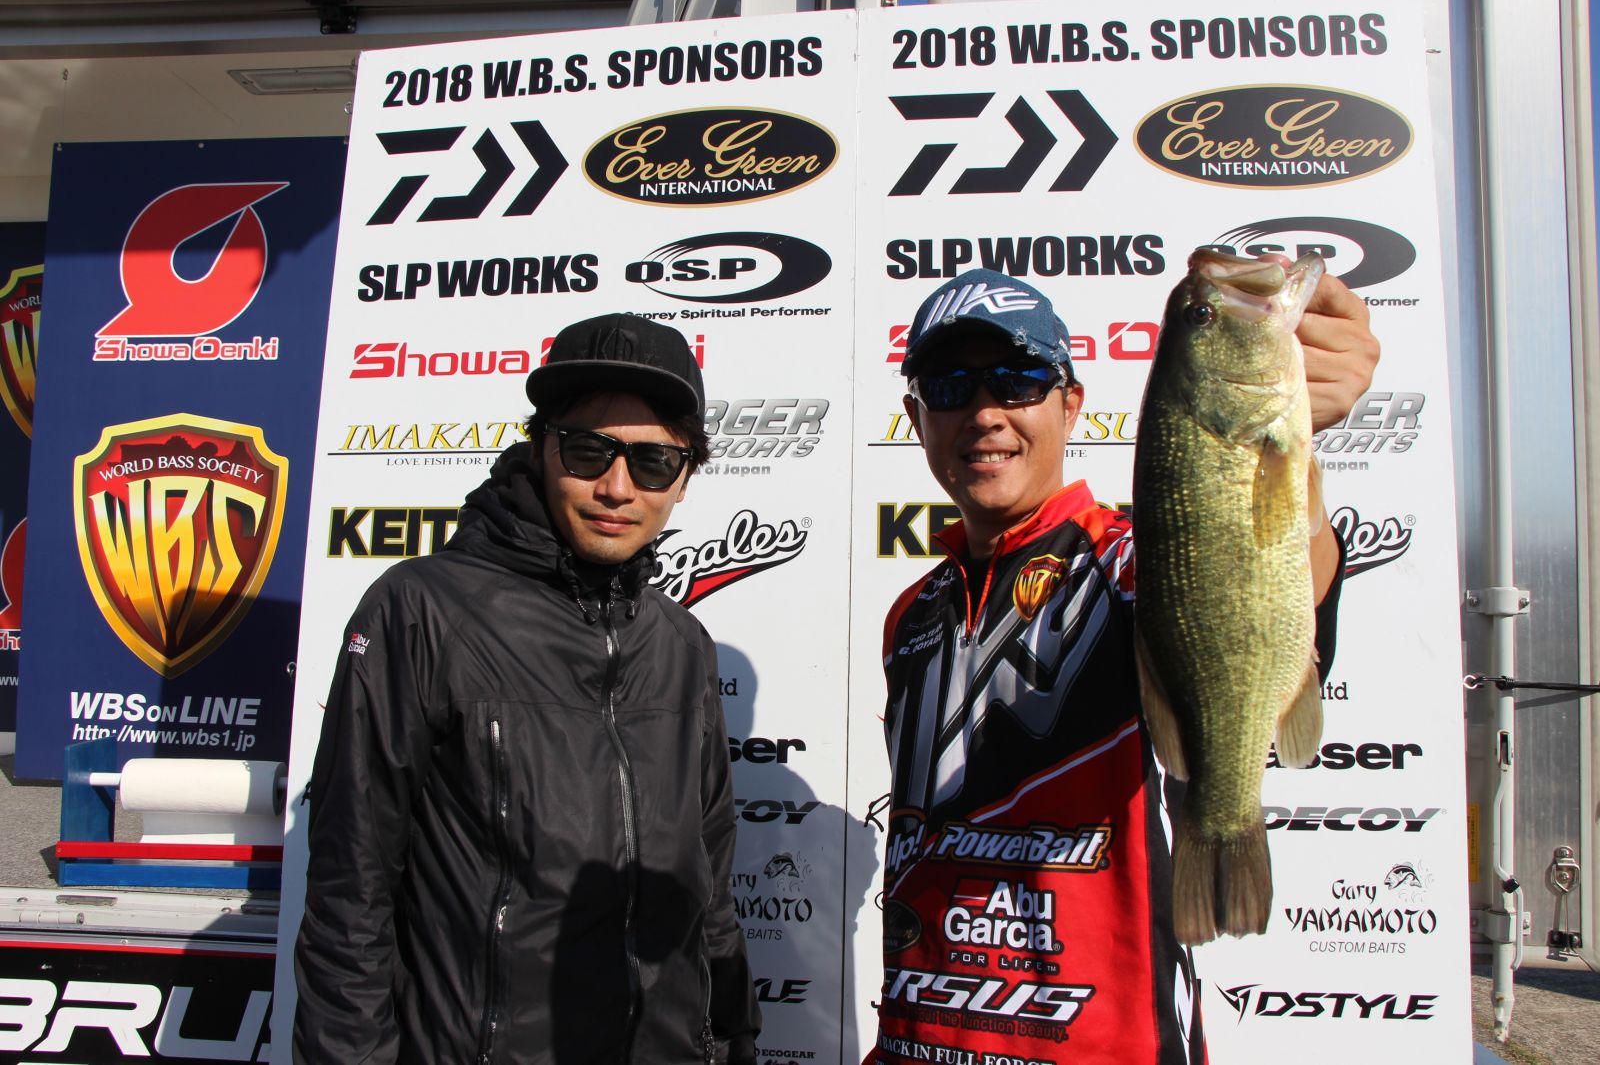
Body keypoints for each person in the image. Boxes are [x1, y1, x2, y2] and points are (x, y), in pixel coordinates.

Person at [868, 267, 1378, 1063]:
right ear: (917, 418)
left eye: (1019, 379)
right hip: (918, 1043)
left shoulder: (1132, 562)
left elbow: (1257, 579)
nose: (986, 411)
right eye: (950, 386)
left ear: (1070, 404)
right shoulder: (913, 610)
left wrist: (1292, 447)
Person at [293, 313, 761, 1064]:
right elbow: (352, 885)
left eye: (652, 463)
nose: (616, 488)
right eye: (588, 451)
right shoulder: (421, 609)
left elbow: (708, 888)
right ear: (541, 448)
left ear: (684, 478)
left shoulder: (682, 644)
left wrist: (735, 1037)